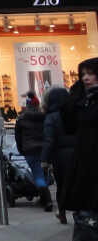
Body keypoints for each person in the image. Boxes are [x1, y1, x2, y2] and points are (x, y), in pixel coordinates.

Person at [57, 58, 98, 221]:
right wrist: (71, 102)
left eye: (90, 74)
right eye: (83, 74)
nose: (86, 78)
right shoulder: (85, 99)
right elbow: (70, 128)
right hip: (85, 159)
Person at [41, 86, 75, 223]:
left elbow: (49, 140)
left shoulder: (52, 118)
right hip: (77, 157)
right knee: (78, 184)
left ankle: (62, 213)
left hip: (60, 160)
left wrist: (44, 159)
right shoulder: (76, 114)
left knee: (61, 187)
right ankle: (81, 212)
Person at [15, 93, 51, 211]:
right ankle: (44, 197)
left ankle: (46, 200)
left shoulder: (21, 119)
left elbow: (18, 138)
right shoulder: (44, 117)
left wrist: (21, 150)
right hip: (44, 148)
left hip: (30, 149)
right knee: (44, 172)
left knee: (38, 174)